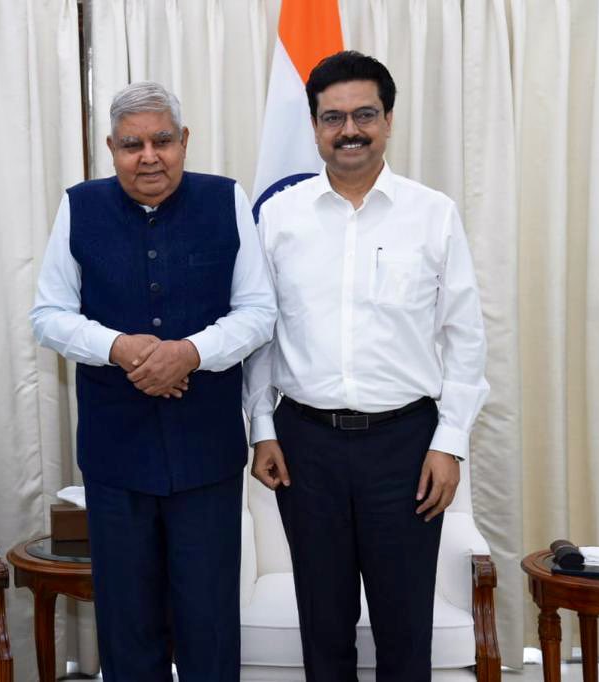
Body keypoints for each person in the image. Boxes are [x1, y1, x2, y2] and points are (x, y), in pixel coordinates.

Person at [243, 51, 489, 681]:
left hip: (405, 447)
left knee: (405, 628)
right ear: (315, 125)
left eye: (364, 115)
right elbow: (260, 334)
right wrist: (263, 429)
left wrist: (450, 442)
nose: (349, 129)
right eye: (333, 117)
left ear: (388, 120)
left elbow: (465, 338)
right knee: (322, 626)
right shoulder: (279, 217)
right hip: (305, 445)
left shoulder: (432, 213)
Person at [31, 81, 276, 681]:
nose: (149, 156)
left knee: (209, 620)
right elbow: (48, 316)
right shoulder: (79, 207)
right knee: (127, 622)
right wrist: (120, 348)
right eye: (132, 144)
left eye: (162, 141)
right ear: (111, 149)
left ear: (184, 141)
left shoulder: (226, 199)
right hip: (118, 455)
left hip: (207, 453)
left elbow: (258, 310)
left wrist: (189, 354)